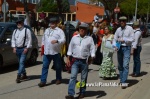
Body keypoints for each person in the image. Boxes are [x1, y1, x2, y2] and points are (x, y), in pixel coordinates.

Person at [65, 22, 95, 99]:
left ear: (86, 30)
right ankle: (71, 94)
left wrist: (92, 57)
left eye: (84, 29)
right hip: (75, 60)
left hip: (84, 61)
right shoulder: (74, 38)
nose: (82, 30)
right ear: (79, 29)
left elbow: (92, 49)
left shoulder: (89, 39)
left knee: (83, 78)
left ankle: (82, 92)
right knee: (73, 76)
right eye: (81, 28)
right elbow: (70, 48)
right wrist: (68, 58)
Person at [38, 17, 66, 87]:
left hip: (56, 52)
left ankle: (58, 79)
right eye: (50, 23)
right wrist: (42, 47)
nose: (51, 24)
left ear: (56, 23)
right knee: (45, 66)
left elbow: (64, 40)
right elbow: (43, 39)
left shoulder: (59, 31)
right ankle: (43, 81)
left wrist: (57, 41)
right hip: (47, 52)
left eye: (53, 23)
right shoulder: (47, 30)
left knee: (58, 66)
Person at [113, 16, 134, 89]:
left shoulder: (130, 29)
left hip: (127, 48)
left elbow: (132, 39)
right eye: (120, 21)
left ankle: (124, 82)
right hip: (119, 48)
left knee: (125, 65)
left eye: (123, 21)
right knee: (120, 65)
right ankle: (122, 79)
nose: (121, 22)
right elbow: (115, 39)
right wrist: (115, 46)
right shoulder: (118, 29)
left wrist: (124, 40)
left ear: (125, 21)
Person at [11, 19, 32, 83]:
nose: (18, 24)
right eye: (17, 23)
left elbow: (29, 40)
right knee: (20, 62)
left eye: (19, 23)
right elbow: (13, 40)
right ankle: (24, 74)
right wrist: (14, 47)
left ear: (22, 23)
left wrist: (27, 48)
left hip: (24, 48)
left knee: (21, 62)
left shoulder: (26, 30)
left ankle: (18, 76)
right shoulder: (15, 31)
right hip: (17, 49)